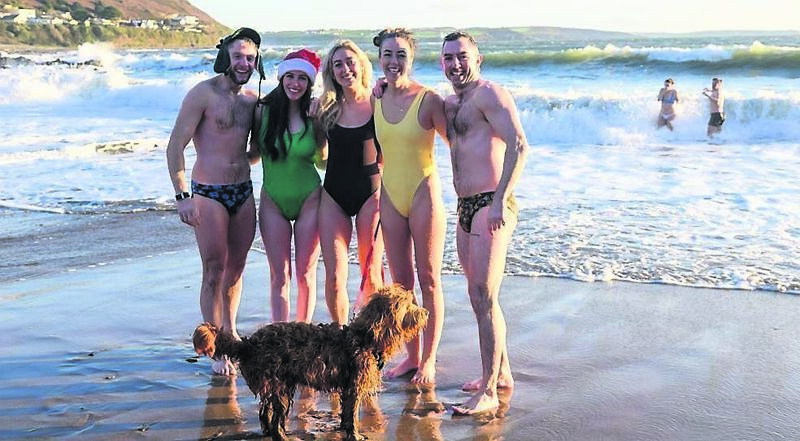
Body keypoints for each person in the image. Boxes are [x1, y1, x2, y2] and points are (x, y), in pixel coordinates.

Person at [166, 27, 264, 375]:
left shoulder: (252, 100)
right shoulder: (201, 95)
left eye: (250, 58)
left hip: (243, 190)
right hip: (208, 193)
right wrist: (182, 197)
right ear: (225, 57)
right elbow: (175, 146)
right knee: (214, 269)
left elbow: (250, 151)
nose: (244, 63)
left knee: (236, 270)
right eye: (238, 56)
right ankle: (216, 346)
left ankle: (230, 331)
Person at [440, 31, 528, 415]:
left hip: (491, 204)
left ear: (479, 59)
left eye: (462, 56)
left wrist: (497, 201)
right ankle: (501, 372)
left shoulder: (490, 94)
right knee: (477, 294)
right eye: (448, 58)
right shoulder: (451, 103)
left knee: (483, 294)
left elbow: (519, 145)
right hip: (464, 206)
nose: (455, 64)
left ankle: (489, 390)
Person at [371, 28, 448, 385]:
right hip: (389, 193)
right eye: (388, 54)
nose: (394, 61)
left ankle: (429, 360)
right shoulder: (377, 96)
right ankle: (411, 356)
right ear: (380, 58)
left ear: (411, 59)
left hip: (423, 192)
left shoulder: (429, 99)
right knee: (401, 285)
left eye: (401, 55)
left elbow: (457, 143)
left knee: (429, 280)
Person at [248, 48, 326, 323]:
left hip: (310, 199)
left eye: (302, 78)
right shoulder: (262, 110)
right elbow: (255, 154)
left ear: (310, 82)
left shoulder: (314, 112)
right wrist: (224, 161)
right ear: (281, 79)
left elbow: (323, 162)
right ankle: (281, 336)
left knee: (305, 272)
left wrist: (321, 123)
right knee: (280, 275)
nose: (295, 83)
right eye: (290, 76)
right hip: (273, 201)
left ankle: (303, 333)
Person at [316, 40, 384, 325]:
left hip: (371, 193)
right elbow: (319, 154)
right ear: (331, 72)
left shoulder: (379, 102)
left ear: (361, 64)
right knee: (334, 276)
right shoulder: (325, 108)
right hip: (333, 196)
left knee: (372, 274)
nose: (345, 69)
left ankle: (374, 340)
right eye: (338, 64)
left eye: (350, 61)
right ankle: (340, 334)